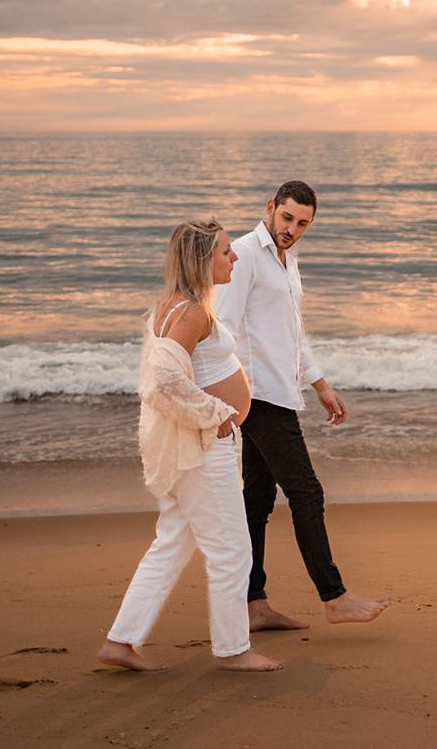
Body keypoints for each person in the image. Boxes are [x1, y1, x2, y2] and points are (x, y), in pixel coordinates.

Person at [98, 218, 282, 673]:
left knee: (172, 544)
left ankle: (120, 642)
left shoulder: (176, 305)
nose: (234, 256)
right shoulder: (192, 313)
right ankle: (233, 651)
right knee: (232, 551)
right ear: (202, 259)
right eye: (224, 251)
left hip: (189, 449)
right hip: (201, 449)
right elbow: (160, 383)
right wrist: (216, 414)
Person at [217, 180, 389, 630]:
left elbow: (293, 332)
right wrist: (228, 398)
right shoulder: (244, 254)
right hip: (258, 397)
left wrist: (320, 384)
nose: (292, 229)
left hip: (279, 391)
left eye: (303, 223)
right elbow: (223, 329)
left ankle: (253, 605)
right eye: (288, 217)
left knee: (256, 500)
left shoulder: (288, 261)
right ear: (270, 208)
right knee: (307, 492)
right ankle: (333, 597)